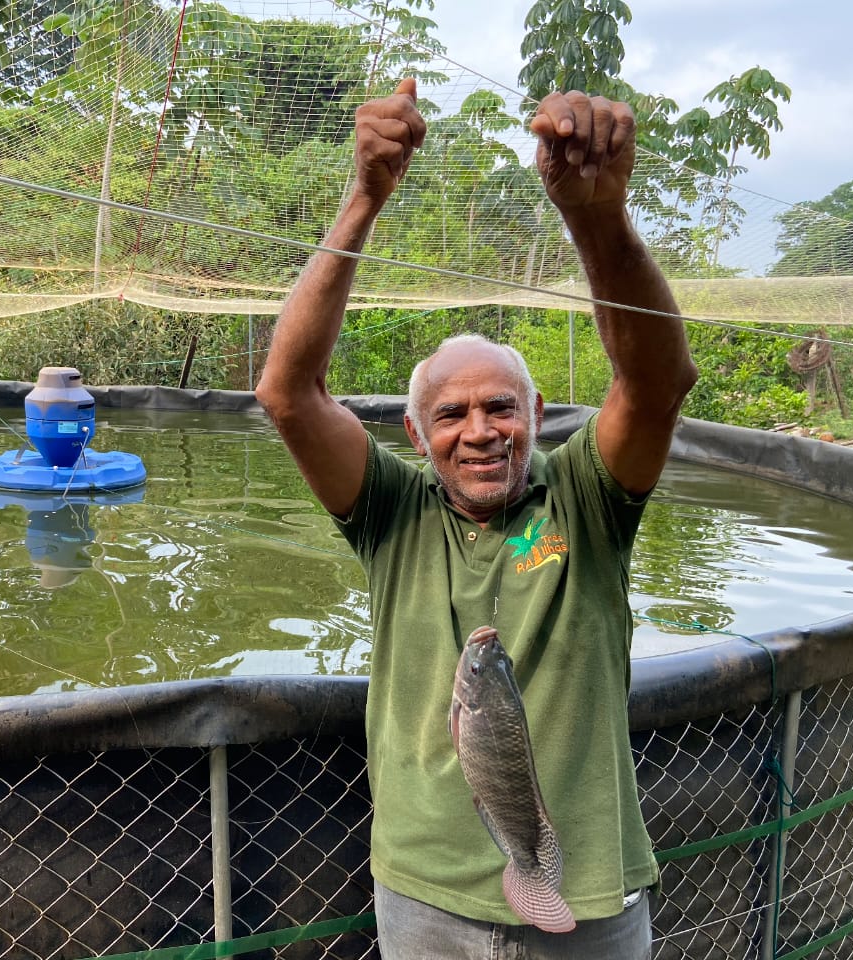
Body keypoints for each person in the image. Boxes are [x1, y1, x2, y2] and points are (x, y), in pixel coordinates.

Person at [255, 78, 697, 960]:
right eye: (451, 416)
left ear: (536, 412)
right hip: (422, 900)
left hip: (589, 899)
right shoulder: (391, 516)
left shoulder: (583, 506)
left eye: (501, 407)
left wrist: (597, 216)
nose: (481, 431)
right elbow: (288, 395)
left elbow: (655, 387)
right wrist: (364, 196)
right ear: (414, 434)